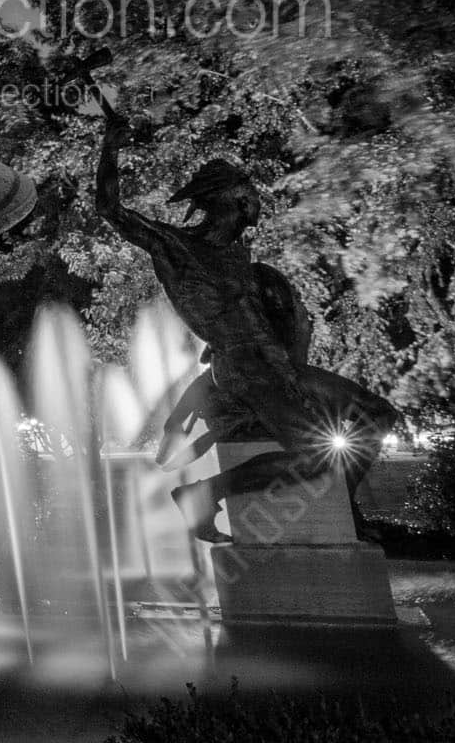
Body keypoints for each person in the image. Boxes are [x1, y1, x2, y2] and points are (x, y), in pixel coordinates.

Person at [95, 96, 396, 542]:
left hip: (277, 364)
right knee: (314, 456)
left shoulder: (240, 259)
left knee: (379, 414)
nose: (255, 208)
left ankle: (346, 512)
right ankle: (203, 493)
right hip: (244, 367)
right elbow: (111, 211)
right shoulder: (181, 249)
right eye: (248, 198)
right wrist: (110, 146)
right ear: (231, 201)